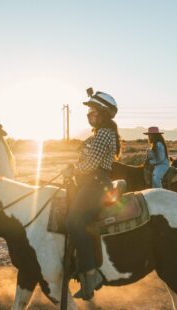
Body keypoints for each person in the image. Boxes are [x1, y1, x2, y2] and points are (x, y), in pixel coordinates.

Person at [62, 89, 121, 300]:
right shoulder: (99, 133)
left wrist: (74, 169)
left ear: (104, 114)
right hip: (90, 183)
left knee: (73, 222)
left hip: (95, 185)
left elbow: (90, 165)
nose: (89, 115)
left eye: (93, 111)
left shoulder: (104, 133)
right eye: (89, 111)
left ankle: (90, 273)